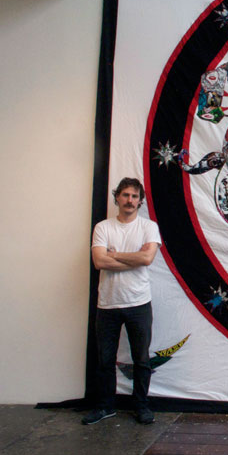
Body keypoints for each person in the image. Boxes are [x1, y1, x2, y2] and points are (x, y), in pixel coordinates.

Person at [82, 178, 161, 425]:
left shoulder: (149, 227)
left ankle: (141, 406)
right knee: (105, 360)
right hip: (108, 304)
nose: (130, 200)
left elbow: (147, 259)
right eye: (125, 195)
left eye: (134, 196)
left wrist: (115, 255)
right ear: (117, 197)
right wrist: (133, 259)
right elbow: (99, 261)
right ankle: (105, 406)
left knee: (141, 359)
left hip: (138, 303)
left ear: (140, 201)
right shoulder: (103, 228)